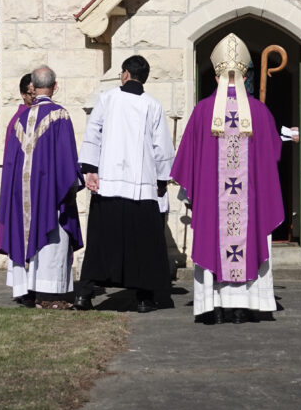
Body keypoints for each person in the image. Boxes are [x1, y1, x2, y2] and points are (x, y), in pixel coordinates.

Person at [170, 33, 284, 325]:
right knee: (247, 238)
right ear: (244, 75)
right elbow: (274, 154)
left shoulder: (202, 111)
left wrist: (194, 193)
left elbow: (186, 160)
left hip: (213, 202)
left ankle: (215, 306)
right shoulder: (259, 111)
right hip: (251, 205)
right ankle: (246, 306)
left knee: (215, 238)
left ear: (217, 74)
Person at [73, 55, 174, 313]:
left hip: (109, 186)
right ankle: (142, 298)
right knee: (141, 245)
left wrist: (90, 170)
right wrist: (162, 181)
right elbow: (161, 147)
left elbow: (93, 133)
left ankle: (84, 296)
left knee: (100, 243)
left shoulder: (107, 99)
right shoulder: (153, 105)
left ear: (126, 74)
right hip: (141, 188)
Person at [0, 65, 84, 309]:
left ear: (33, 88)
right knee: (53, 239)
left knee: (27, 234)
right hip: (49, 193)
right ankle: (51, 296)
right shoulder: (60, 115)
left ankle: (29, 289)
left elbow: (12, 163)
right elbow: (67, 160)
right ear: (55, 87)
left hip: (22, 194)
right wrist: (71, 187)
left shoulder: (19, 119)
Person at [5, 72, 35, 141]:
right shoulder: (17, 121)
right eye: (31, 94)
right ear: (23, 94)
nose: (34, 96)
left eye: (36, 93)